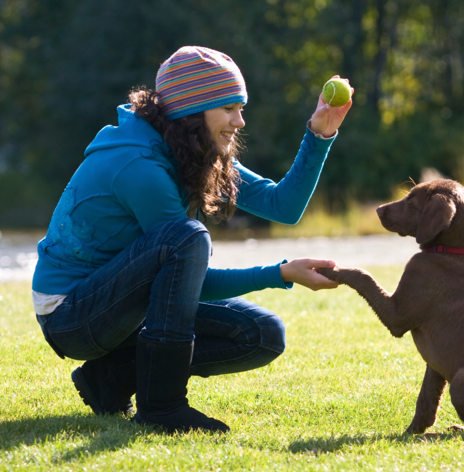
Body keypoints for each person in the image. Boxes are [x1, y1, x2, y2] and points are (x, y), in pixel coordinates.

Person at [32, 46, 352, 433]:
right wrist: (280, 272)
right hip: (72, 315)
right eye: (229, 108)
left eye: (240, 107)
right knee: (186, 237)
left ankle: (111, 379)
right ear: (192, 111)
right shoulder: (140, 166)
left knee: (262, 335)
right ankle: (162, 407)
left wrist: (321, 133)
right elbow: (192, 277)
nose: (240, 120)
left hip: (123, 307)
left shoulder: (192, 148)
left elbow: (281, 205)